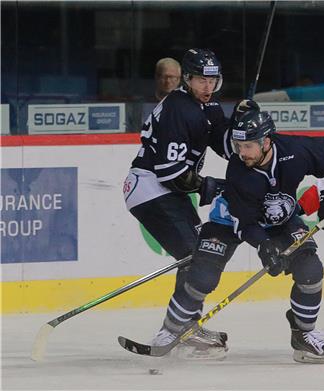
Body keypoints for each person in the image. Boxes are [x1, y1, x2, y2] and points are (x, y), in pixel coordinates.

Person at [183, 110, 324, 364]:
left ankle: (303, 335)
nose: (242, 152)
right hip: (232, 221)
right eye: (238, 145)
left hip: (280, 219)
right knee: (203, 275)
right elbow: (244, 222)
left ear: (266, 141)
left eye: (248, 146)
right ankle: (178, 330)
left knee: (310, 270)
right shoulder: (239, 171)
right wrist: (264, 246)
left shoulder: (295, 150)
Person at [122, 49, 253, 356]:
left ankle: (185, 325)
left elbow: (224, 145)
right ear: (187, 80)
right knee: (197, 254)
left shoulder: (204, 105)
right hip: (152, 188)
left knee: (197, 253)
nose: (207, 87)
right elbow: (171, 173)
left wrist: (242, 120)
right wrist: (214, 187)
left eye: (212, 80)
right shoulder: (179, 109)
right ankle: (177, 329)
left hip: (163, 189)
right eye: (200, 80)